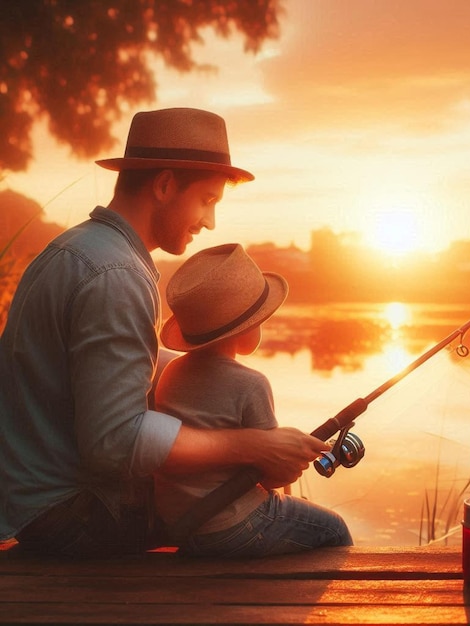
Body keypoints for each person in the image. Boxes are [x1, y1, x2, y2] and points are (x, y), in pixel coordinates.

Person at [0, 108, 330, 557]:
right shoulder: (116, 275)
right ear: (164, 185)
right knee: (318, 531)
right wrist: (256, 446)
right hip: (75, 516)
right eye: (207, 200)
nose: (210, 221)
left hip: (34, 505)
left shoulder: (75, 249)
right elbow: (115, 442)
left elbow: (116, 366)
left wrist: (213, 370)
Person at [154, 243, 353, 557]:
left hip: (180, 522)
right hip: (233, 525)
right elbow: (274, 476)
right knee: (333, 528)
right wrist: (297, 460)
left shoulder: (170, 374)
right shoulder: (251, 383)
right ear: (243, 330)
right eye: (260, 320)